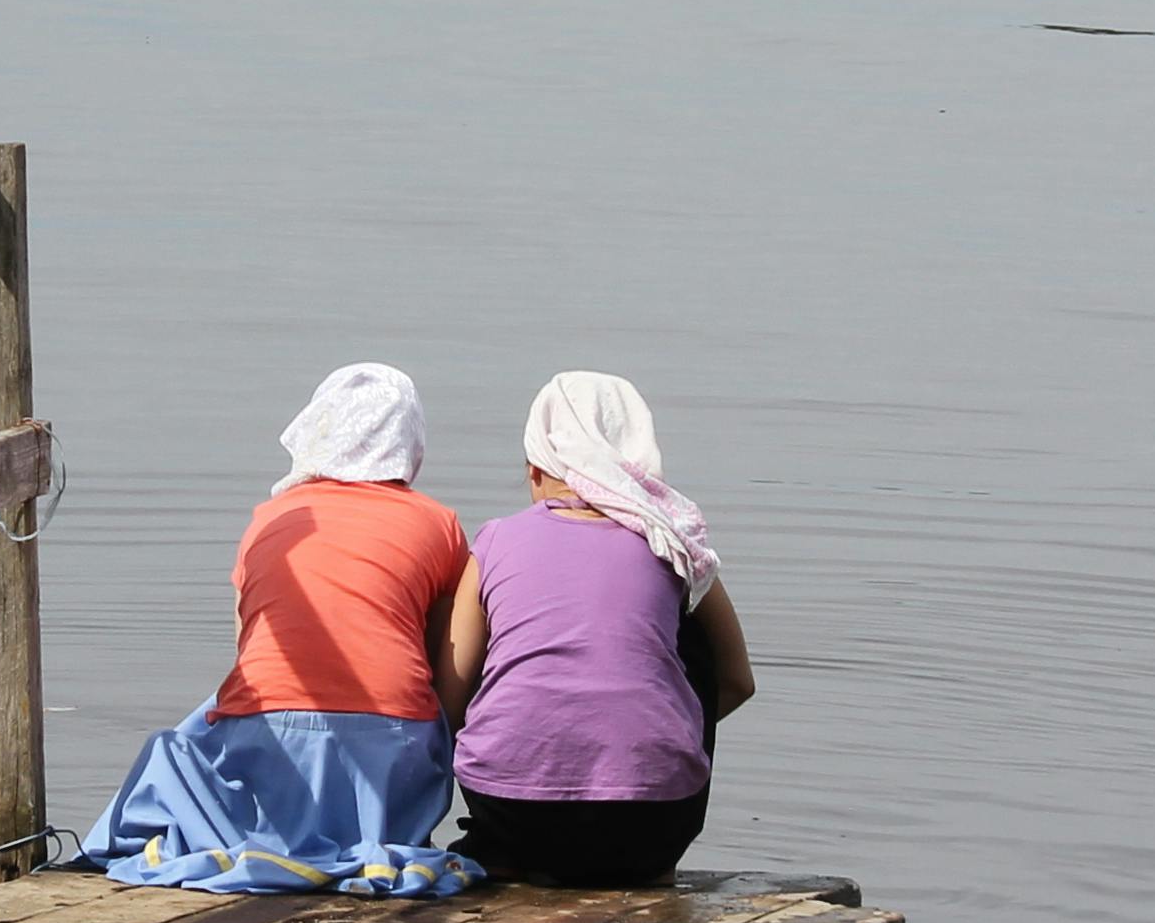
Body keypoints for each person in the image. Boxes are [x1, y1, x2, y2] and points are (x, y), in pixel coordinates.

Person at [80, 363, 482, 895]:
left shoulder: (270, 520)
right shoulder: (437, 523)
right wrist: (440, 742)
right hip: (391, 749)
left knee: (188, 739)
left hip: (270, 733)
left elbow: (250, 649)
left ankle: (258, 830)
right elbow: (444, 662)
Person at [443, 371, 754, 889]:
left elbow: (451, 699)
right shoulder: (673, 545)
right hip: (649, 822)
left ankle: (504, 856)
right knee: (690, 639)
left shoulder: (495, 542)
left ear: (536, 467)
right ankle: (651, 867)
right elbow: (738, 681)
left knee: (506, 645)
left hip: (512, 815)